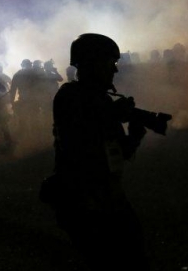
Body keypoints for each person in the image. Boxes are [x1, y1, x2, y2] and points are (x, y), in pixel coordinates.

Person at [46, 33, 150, 270]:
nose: (114, 71)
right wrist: (114, 114)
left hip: (106, 194)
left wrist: (134, 134)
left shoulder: (101, 100)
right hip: (83, 198)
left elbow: (118, 152)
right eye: (110, 64)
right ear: (92, 63)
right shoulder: (70, 96)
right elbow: (80, 140)